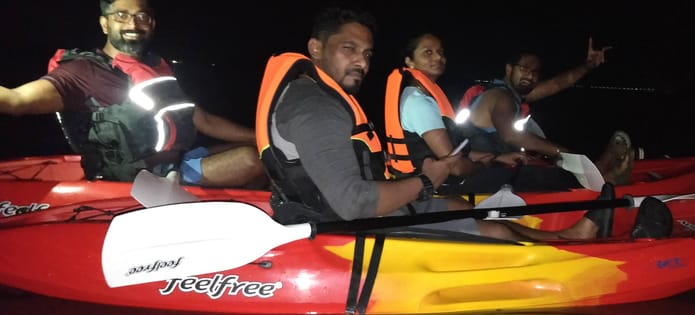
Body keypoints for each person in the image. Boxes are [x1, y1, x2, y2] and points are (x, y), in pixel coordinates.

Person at [255, 5, 669, 242]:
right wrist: (427, 181)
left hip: (346, 207)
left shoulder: (318, 96)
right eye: (349, 49)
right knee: (490, 225)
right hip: (343, 225)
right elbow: (354, 203)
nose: (362, 61)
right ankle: (567, 240)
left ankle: (567, 237)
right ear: (315, 49)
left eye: (366, 52)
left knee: (465, 210)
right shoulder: (318, 107)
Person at [0, 0, 266, 189]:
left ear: (152, 23)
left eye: (141, 16)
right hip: (138, 181)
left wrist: (263, 137)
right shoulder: (83, 71)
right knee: (250, 160)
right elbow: (17, 100)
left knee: (266, 152)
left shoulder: (154, 67)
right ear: (105, 23)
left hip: (176, 165)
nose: (133, 23)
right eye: (121, 15)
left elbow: (202, 119)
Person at [383, 33, 585, 193]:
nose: (438, 57)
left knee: (526, 170)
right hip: (442, 185)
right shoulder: (419, 103)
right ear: (409, 61)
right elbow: (455, 167)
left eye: (441, 52)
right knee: (545, 177)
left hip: (449, 176)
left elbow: (556, 85)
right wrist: (483, 166)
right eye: (428, 52)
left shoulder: (425, 98)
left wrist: (497, 157)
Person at [457, 48, 636, 185]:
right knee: (558, 174)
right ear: (509, 69)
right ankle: (606, 179)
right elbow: (511, 135)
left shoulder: (513, 95)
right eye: (524, 68)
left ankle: (599, 169)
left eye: (535, 72)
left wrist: (588, 65)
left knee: (550, 164)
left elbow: (557, 84)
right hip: (474, 175)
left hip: (492, 167)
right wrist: (565, 152)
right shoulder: (501, 97)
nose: (530, 74)